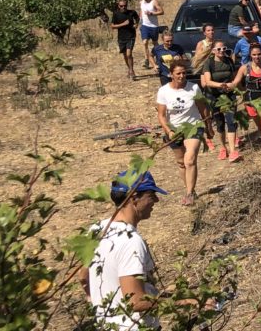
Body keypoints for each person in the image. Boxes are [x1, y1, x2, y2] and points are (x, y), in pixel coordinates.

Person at [84, 171, 171, 330]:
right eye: (151, 195)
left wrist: (98, 303)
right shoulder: (131, 241)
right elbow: (135, 302)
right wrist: (180, 303)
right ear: (134, 197)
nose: (156, 201)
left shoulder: (96, 230)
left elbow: (82, 276)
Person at [155, 60, 209, 206]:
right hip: (174, 128)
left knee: (190, 159)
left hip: (193, 125)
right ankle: (189, 189)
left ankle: (190, 193)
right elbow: (161, 115)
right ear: (171, 74)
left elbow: (202, 108)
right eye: (178, 73)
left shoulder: (194, 88)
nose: (182, 76)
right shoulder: (164, 91)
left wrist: (208, 126)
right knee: (181, 163)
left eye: (184, 73)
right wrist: (168, 130)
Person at [230, 43, 261, 168]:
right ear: (250, 56)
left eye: (259, 54)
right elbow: (235, 83)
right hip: (250, 101)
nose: (257, 57)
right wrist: (225, 87)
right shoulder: (245, 68)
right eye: (254, 55)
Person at [199, 41, 241, 163]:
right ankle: (223, 147)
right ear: (213, 51)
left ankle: (233, 151)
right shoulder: (209, 63)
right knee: (220, 123)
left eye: (223, 48)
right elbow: (207, 81)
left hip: (229, 95)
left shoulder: (229, 61)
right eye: (218, 49)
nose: (221, 51)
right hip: (214, 96)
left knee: (231, 121)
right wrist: (221, 85)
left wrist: (233, 86)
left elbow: (234, 77)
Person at [109, 0, 140, 81]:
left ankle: (131, 70)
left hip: (131, 36)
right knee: (125, 55)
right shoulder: (116, 14)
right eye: (121, 6)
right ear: (118, 6)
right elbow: (112, 26)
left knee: (129, 54)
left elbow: (137, 18)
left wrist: (136, 24)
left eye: (125, 6)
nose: (123, 7)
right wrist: (123, 24)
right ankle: (129, 69)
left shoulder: (132, 12)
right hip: (121, 37)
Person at [138, 0, 163, 70]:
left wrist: (152, 13)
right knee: (145, 42)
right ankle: (146, 59)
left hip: (154, 26)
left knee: (155, 43)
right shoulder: (141, 2)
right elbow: (141, 11)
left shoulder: (154, 2)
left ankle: (159, 56)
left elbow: (161, 11)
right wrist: (139, 20)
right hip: (144, 26)